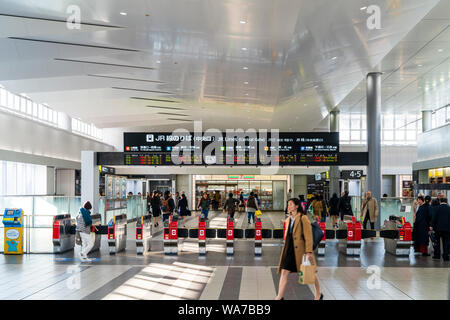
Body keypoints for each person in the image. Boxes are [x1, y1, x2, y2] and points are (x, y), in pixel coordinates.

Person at [275, 198, 322, 300]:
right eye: (288, 204)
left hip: (301, 251)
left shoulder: (303, 218)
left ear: (297, 206)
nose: (288, 206)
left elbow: (308, 236)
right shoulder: (289, 219)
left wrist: (309, 251)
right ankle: (279, 297)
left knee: (310, 272)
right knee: (284, 272)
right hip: (289, 250)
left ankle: (318, 293)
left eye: (291, 204)